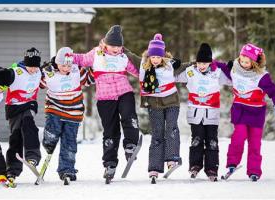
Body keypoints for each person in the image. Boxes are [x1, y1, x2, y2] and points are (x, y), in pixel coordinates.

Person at [72, 25, 140, 183]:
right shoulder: (96, 53)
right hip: (105, 97)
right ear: (106, 44)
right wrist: (68, 56)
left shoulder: (123, 57)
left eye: (119, 46)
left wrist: (150, 76)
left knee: (129, 117)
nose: (116, 49)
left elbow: (136, 72)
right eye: (113, 46)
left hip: (124, 92)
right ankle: (110, 163)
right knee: (110, 130)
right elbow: (81, 59)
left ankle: (130, 146)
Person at [218, 43, 275, 181]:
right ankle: (232, 163)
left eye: (247, 62)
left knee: (255, 143)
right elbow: (219, 67)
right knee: (238, 137)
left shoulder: (261, 76)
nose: (243, 64)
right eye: (241, 60)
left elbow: (273, 91)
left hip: (256, 113)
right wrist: (209, 62)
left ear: (254, 62)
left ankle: (254, 171)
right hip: (240, 110)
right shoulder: (234, 70)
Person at [175, 43, 232, 181]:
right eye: (199, 62)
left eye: (204, 63)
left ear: (210, 62)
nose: (201, 65)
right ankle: (195, 165)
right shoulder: (191, 71)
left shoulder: (217, 72)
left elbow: (232, 81)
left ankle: (212, 168)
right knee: (196, 140)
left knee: (212, 141)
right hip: (196, 113)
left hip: (212, 113)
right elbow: (174, 77)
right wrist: (174, 66)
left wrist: (231, 70)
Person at [40, 47, 94, 183]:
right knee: (53, 131)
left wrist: (94, 68)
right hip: (55, 108)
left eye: (69, 65)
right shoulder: (49, 72)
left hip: (74, 111)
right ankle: (49, 140)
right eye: (63, 65)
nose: (66, 68)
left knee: (69, 143)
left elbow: (88, 80)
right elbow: (37, 84)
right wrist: (38, 71)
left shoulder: (77, 70)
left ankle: (67, 169)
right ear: (57, 63)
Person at [139, 33, 185, 182]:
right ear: (149, 57)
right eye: (153, 57)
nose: (155, 60)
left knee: (171, 128)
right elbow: (129, 55)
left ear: (163, 57)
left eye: (158, 57)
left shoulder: (170, 66)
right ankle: (154, 167)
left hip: (171, 102)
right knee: (157, 134)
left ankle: (171, 158)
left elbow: (187, 66)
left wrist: (200, 63)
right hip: (154, 104)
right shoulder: (144, 67)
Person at [5, 47, 42, 184]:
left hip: (28, 105)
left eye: (35, 66)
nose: (33, 69)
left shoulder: (39, 71)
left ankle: (32, 156)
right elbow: (1, 76)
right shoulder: (15, 71)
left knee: (29, 126)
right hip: (14, 108)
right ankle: (12, 170)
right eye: (30, 66)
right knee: (16, 137)